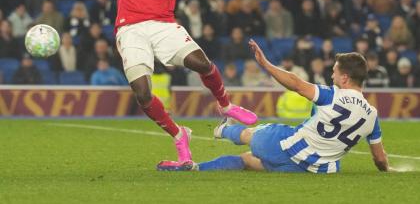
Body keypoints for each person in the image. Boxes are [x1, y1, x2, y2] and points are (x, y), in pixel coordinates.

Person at [34, 0, 286, 165]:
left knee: (202, 63)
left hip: (164, 26)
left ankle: (225, 105)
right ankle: (179, 134)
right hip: (131, 30)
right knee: (143, 94)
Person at [158, 39, 391, 173]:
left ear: (345, 78)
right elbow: (380, 160)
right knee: (248, 161)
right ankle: (196, 168)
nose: (332, 76)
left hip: (286, 144)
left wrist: (266, 64)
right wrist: (388, 170)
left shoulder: (332, 95)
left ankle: (222, 130)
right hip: (314, 169)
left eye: (334, 72)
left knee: (251, 134)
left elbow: (297, 84)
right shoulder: (372, 116)